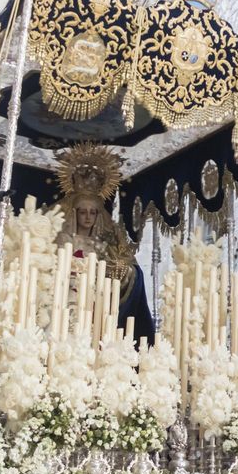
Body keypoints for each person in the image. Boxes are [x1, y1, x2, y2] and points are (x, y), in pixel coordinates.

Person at [53, 143, 155, 345]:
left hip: (95, 310)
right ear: (74, 213)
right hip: (63, 305)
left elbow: (129, 271)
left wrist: (121, 272)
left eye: (93, 212)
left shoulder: (105, 245)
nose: (88, 217)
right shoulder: (62, 241)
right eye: (83, 212)